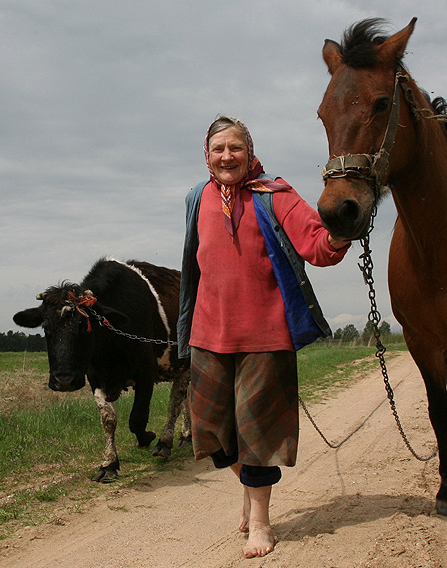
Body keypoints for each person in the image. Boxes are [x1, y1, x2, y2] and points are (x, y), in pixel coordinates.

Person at [177, 116, 350, 558]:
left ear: (250, 152)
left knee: (257, 435)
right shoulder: (198, 198)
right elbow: (193, 266)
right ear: (206, 155)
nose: (226, 156)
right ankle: (249, 491)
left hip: (265, 335)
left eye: (235, 148)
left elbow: (317, 243)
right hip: (207, 332)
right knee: (211, 434)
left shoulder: (276, 196)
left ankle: (261, 522)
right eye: (218, 149)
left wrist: (342, 231)